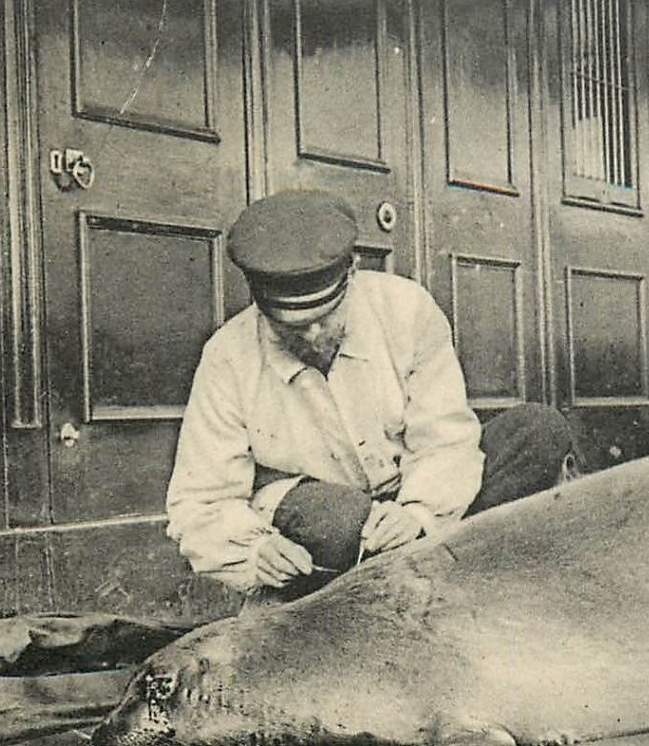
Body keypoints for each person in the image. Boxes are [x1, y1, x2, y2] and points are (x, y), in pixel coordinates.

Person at [166, 190, 577, 600]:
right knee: (341, 521)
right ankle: (400, 590)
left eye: (325, 319)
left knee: (537, 431)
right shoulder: (227, 355)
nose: (312, 337)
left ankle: (424, 583)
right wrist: (254, 551)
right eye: (290, 329)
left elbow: (444, 437)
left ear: (353, 273)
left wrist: (418, 513)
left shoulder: (407, 310)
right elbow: (200, 501)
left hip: (412, 492)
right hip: (320, 511)